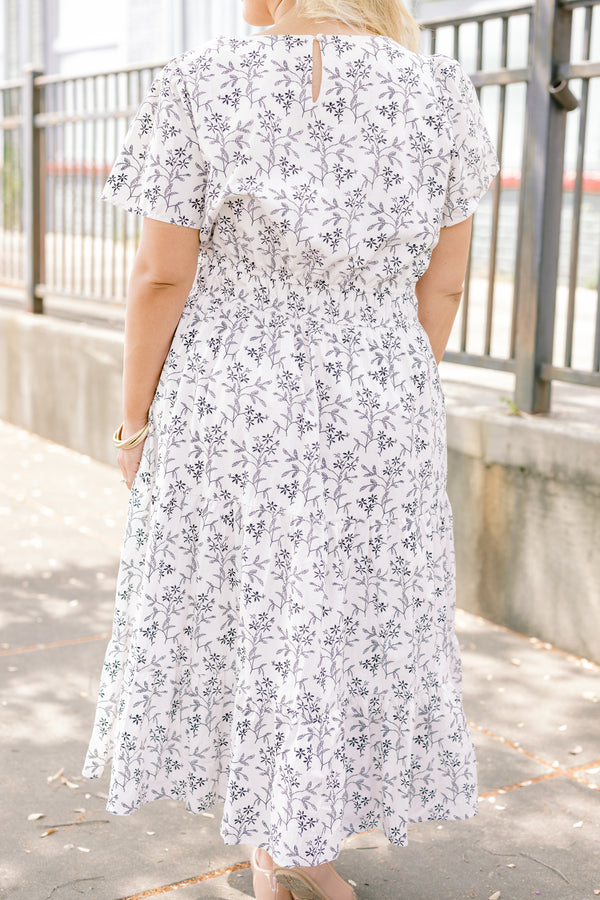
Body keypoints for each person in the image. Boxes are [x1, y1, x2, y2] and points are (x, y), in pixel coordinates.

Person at [82, 0, 499, 897]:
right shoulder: (440, 91)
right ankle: (297, 845)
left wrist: (134, 422)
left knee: (250, 608)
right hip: (381, 394)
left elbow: (161, 275)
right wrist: (381, 386)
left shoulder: (199, 81)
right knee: (342, 615)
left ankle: (282, 844)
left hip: (229, 395)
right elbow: (448, 281)